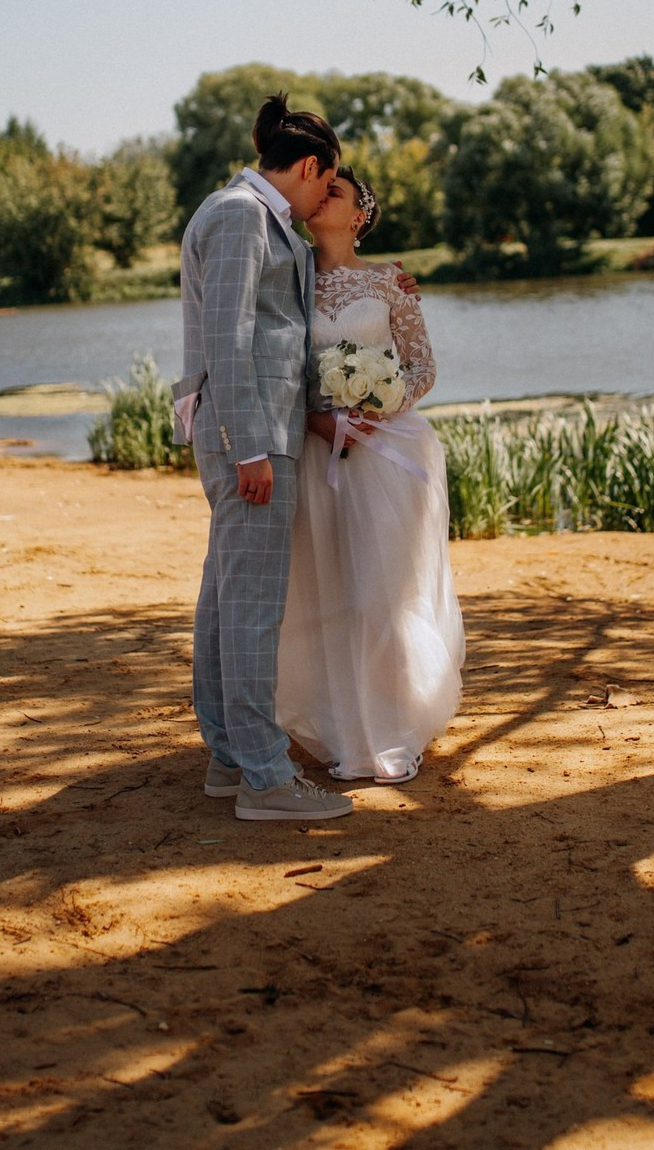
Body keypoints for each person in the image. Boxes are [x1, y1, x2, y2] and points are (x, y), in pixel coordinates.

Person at [174, 94, 355, 823]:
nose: (320, 201)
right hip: (248, 440)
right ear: (309, 166)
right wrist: (249, 447)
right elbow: (227, 337)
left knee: (229, 598)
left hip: (261, 434)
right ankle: (266, 780)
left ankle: (228, 755)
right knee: (251, 608)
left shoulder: (257, 218)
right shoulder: (239, 215)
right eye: (325, 183)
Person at [276, 166, 465, 784]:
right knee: (329, 591)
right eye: (318, 186)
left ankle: (393, 725)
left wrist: (376, 407)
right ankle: (340, 728)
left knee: (383, 592)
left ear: (360, 214)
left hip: (388, 455)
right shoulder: (288, 276)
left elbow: (421, 367)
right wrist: (318, 415)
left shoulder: (390, 282)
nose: (321, 194)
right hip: (317, 452)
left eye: (336, 191)